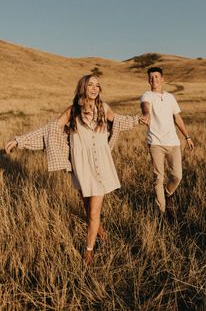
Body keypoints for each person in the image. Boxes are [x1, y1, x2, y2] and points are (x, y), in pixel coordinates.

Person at [5, 74, 147, 265]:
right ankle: (100, 231)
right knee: (87, 208)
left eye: (97, 85)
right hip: (81, 168)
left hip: (101, 166)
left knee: (94, 212)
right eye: (91, 85)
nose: (95, 88)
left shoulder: (104, 108)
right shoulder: (73, 111)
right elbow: (49, 130)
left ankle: (88, 252)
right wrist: (19, 140)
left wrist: (139, 120)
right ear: (83, 88)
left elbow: (120, 121)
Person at [140, 67, 194, 216]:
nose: (154, 80)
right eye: (151, 77)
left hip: (173, 143)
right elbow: (145, 108)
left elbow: (178, 118)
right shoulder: (147, 95)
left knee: (177, 176)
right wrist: (146, 115)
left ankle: (168, 193)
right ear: (148, 80)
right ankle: (163, 212)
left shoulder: (170, 97)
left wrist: (187, 137)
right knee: (158, 177)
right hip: (155, 143)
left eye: (157, 77)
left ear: (162, 79)